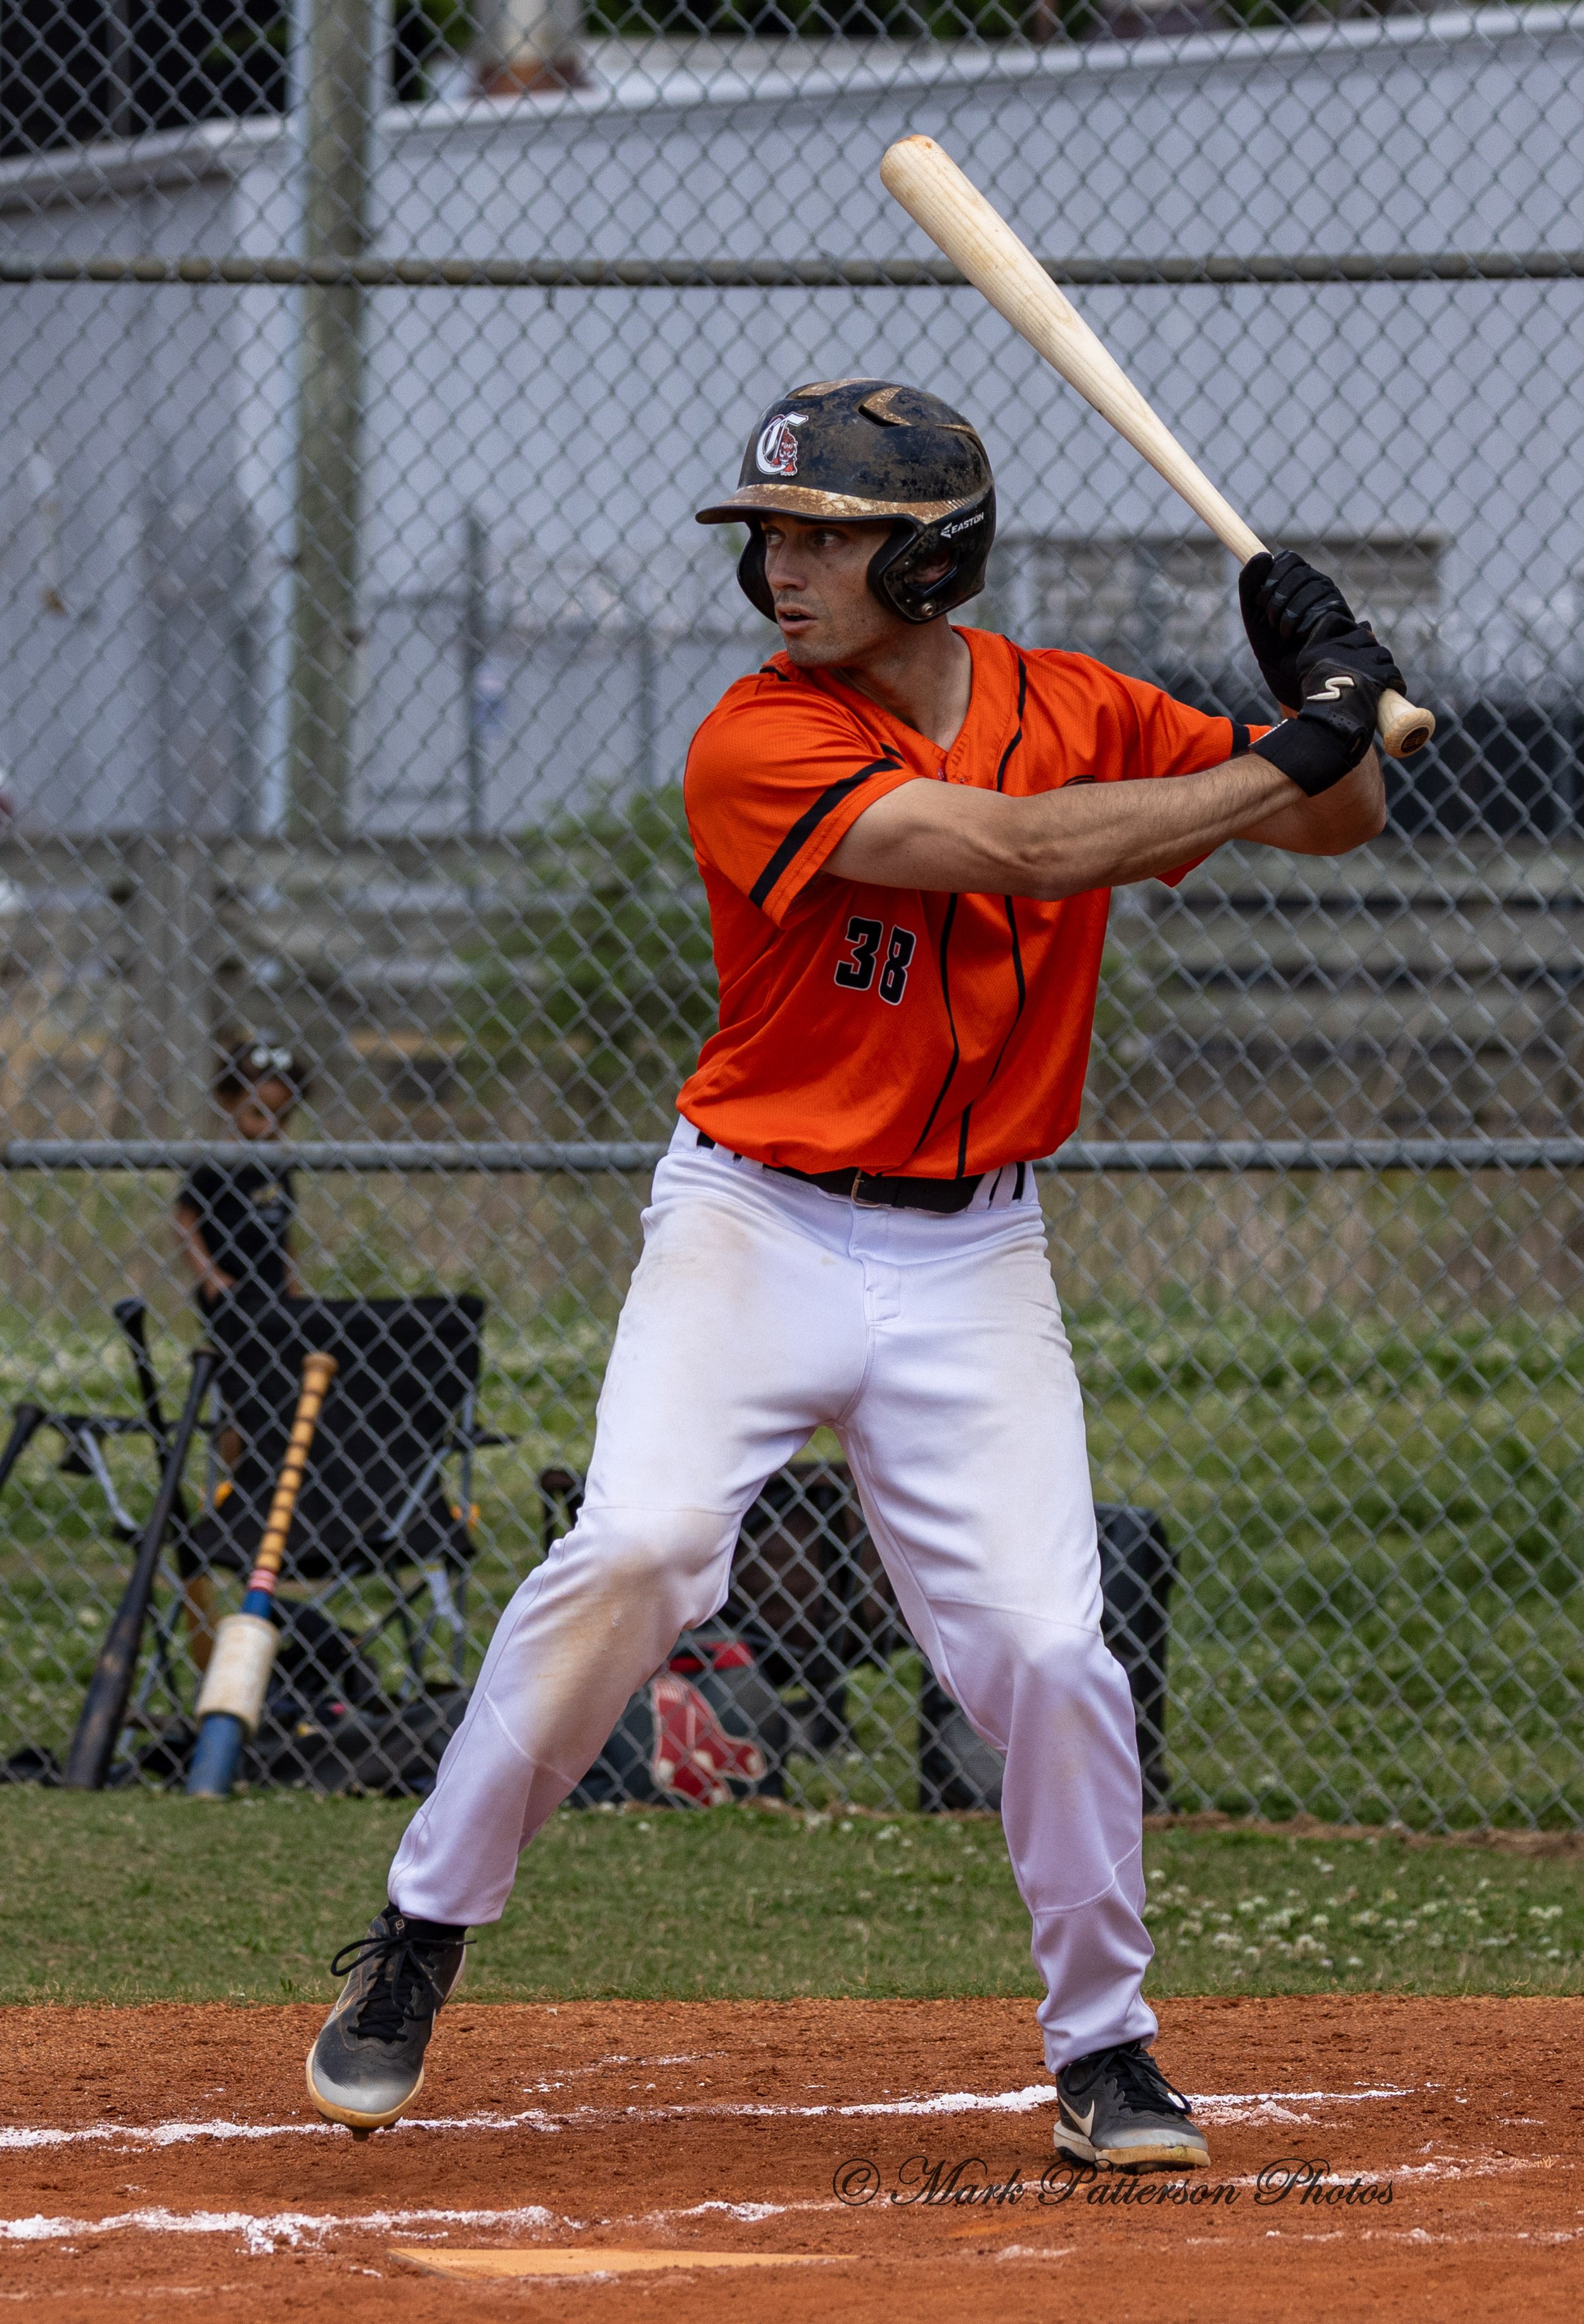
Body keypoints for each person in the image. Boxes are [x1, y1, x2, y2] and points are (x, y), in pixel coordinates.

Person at [302, 380, 1395, 2166]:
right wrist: (1296, 734)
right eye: (773, 535)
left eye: (826, 536)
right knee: (643, 1547)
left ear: (936, 553)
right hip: (758, 1223)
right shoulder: (758, 738)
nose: (784, 568)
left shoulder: (1081, 707)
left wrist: (1331, 699)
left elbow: (1331, 829)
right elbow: (1018, 851)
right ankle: (424, 1927)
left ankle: (1105, 2046)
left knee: (1051, 1648)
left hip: (977, 1248)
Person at [174, 1038, 304, 1314]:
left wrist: (292, 1285)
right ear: (230, 1101)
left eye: (282, 1116)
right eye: (259, 1113)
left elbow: (284, 1234)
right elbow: (185, 1222)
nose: (270, 1126)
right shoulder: (215, 1163)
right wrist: (211, 1277)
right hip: (230, 1290)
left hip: (275, 1291)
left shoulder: (277, 1166)